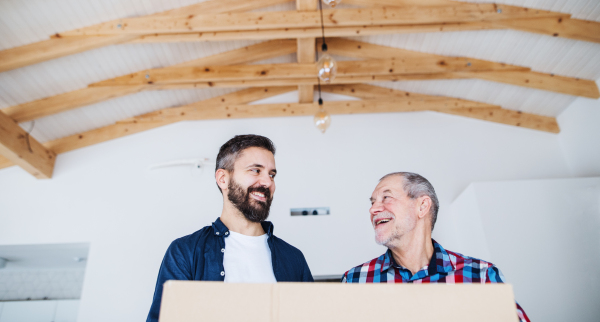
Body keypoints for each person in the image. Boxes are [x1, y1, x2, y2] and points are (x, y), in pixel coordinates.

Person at [146, 135, 313, 322]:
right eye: (256, 170)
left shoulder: (293, 258)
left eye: (271, 175)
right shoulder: (185, 253)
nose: (268, 183)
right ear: (223, 179)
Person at [342, 172, 529, 322]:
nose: (373, 209)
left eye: (386, 197)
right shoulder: (354, 280)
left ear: (422, 206)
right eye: (373, 202)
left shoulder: (480, 275)